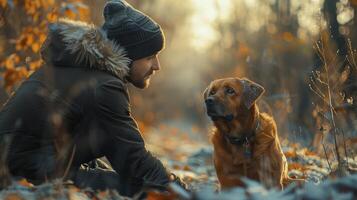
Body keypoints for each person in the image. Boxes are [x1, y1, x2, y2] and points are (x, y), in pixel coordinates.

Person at [0, 0, 187, 197]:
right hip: (24, 173)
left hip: (23, 164)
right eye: (150, 56)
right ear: (130, 54)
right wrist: (178, 188)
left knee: (112, 174)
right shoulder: (105, 86)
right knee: (142, 189)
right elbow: (134, 159)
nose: (157, 66)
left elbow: (109, 146)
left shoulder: (79, 69)